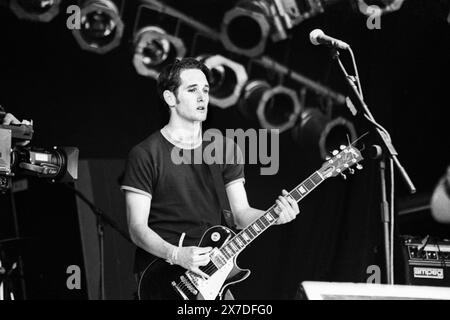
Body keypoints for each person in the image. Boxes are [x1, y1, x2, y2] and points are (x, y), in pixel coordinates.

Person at [120, 58, 299, 299]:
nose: (202, 97)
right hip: (164, 278)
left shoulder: (226, 149)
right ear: (170, 98)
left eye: (205, 90)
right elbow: (137, 228)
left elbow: (240, 214)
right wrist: (176, 254)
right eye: (192, 90)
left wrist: (275, 217)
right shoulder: (145, 154)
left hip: (213, 276)